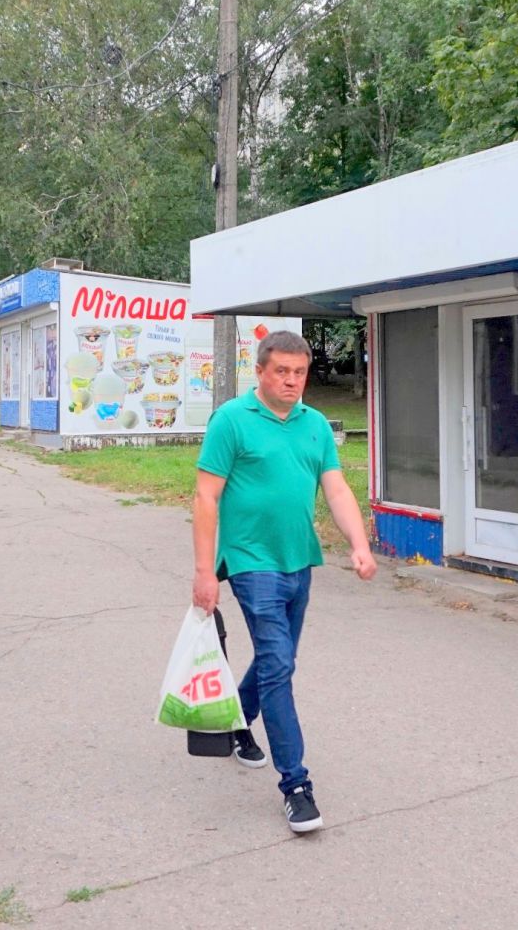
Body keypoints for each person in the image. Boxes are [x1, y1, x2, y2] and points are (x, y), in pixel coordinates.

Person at [191, 330, 376, 834]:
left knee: (279, 660)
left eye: (299, 372)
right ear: (260, 371)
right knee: (278, 664)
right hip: (251, 562)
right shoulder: (231, 420)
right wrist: (205, 572)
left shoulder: (314, 424)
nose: (292, 381)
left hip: (299, 560)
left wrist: (359, 545)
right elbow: (206, 497)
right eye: (281, 372)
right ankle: (296, 785)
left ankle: (236, 722)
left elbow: (336, 490)